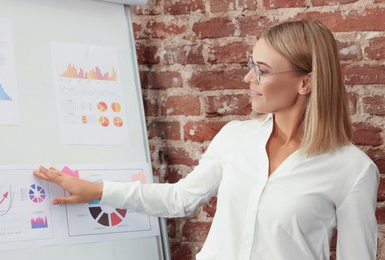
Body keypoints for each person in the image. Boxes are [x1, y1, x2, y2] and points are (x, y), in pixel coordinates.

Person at [33, 18, 379, 260]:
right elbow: (181, 198)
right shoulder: (234, 137)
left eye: (263, 70)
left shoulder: (352, 170)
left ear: (306, 82)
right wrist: (95, 191)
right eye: (250, 64)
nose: (248, 77)